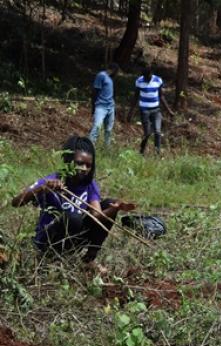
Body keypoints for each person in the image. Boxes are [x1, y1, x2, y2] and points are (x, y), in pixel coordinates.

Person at [10, 136, 135, 270]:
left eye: (88, 165)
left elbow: (97, 216)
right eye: (79, 163)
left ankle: (88, 260)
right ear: (68, 161)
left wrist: (115, 209)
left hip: (73, 237)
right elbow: (16, 202)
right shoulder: (52, 180)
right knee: (73, 217)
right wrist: (42, 188)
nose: (84, 169)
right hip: (49, 239)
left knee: (109, 203)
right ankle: (51, 260)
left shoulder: (89, 184)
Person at [126, 65, 174, 155]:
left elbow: (161, 96)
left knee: (157, 131)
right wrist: (130, 112)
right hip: (144, 110)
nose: (146, 79)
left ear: (151, 74)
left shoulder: (158, 80)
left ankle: (157, 153)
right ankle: (141, 151)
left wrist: (169, 111)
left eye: (147, 77)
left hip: (156, 110)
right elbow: (135, 97)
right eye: (144, 76)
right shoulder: (139, 81)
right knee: (147, 133)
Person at [89, 63, 119, 147]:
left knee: (109, 129)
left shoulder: (111, 79)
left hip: (110, 107)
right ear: (113, 70)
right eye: (116, 72)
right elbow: (95, 91)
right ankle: (90, 146)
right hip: (101, 106)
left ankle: (107, 147)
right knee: (97, 127)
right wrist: (93, 107)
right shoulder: (101, 75)